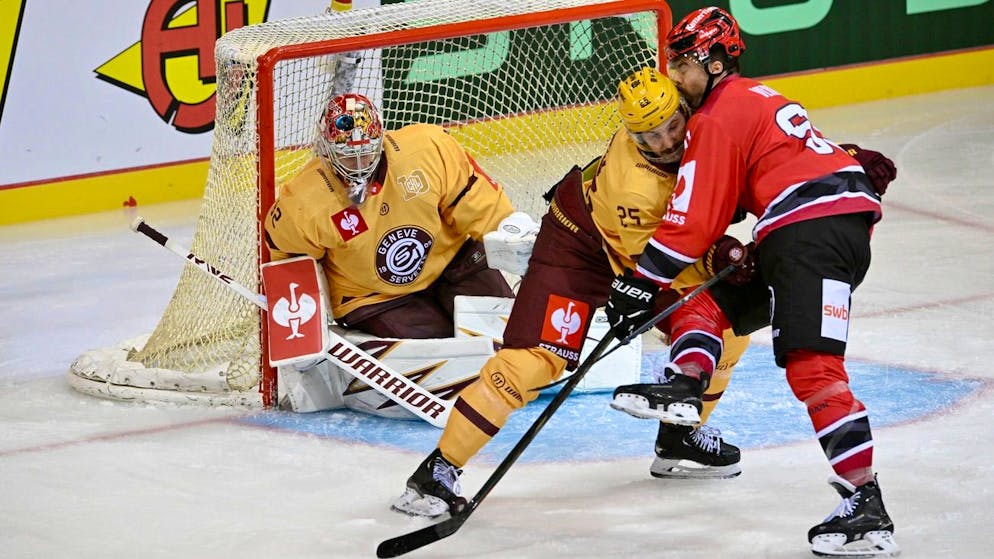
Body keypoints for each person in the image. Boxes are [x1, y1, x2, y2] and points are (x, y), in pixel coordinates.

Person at [391, 70, 752, 520]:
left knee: (729, 328)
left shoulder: (698, 125)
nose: (665, 143)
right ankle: (437, 472)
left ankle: (678, 440)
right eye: (649, 136)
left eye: (672, 127)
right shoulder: (634, 189)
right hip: (578, 247)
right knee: (535, 358)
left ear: (684, 109)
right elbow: (665, 264)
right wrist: (721, 257)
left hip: (645, 251)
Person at [604, 8, 900, 557]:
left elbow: (697, 220)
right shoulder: (757, 97)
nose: (672, 73)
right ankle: (686, 387)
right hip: (824, 229)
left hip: (809, 234)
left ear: (714, 63)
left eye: (680, 62)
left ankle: (867, 506)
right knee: (713, 298)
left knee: (813, 368)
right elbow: (781, 168)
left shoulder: (715, 117)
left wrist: (639, 283)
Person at [264, 92, 516, 340]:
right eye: (349, 157)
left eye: (366, 153)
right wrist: (300, 328)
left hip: (454, 261)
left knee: (511, 334)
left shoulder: (427, 149)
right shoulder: (303, 202)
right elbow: (287, 261)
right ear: (327, 151)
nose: (360, 164)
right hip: (373, 296)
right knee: (439, 361)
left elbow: (479, 202)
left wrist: (517, 246)